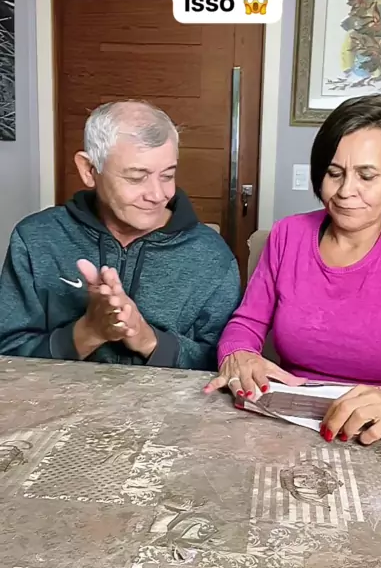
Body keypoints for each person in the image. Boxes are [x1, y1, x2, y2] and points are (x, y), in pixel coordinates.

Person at [205, 94, 381, 444]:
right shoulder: (288, 235)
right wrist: (238, 354)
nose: (346, 191)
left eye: (367, 176)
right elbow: (246, 324)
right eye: (334, 173)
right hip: (290, 427)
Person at [0, 100, 241, 370]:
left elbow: (225, 363)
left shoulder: (212, 257)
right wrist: (87, 332)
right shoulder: (36, 239)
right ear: (89, 170)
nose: (157, 195)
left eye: (167, 176)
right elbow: (7, 354)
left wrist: (149, 340)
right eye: (137, 177)